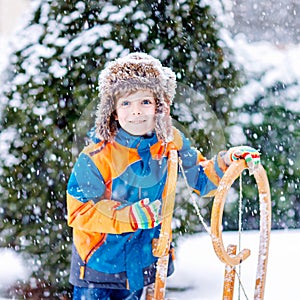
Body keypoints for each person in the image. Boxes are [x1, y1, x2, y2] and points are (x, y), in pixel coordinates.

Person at [66, 52, 260, 300]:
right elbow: (79, 211)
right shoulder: (96, 157)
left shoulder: (170, 143)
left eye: (145, 102)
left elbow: (200, 177)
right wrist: (128, 216)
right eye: (126, 103)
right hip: (101, 267)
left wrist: (228, 162)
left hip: (145, 262)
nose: (136, 111)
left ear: (160, 106)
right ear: (113, 111)